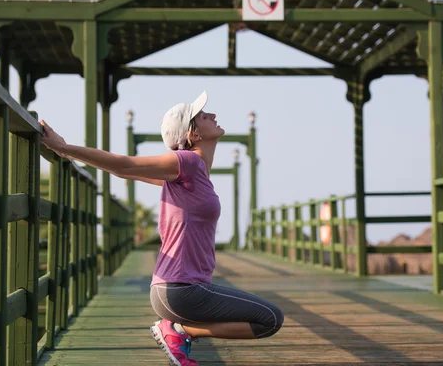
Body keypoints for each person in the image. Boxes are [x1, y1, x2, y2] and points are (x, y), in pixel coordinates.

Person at [40, 91, 284, 366]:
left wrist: (70, 151)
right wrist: (64, 148)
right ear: (193, 134)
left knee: (268, 319)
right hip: (180, 290)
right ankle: (178, 331)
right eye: (204, 116)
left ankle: (178, 331)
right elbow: (125, 164)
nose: (213, 115)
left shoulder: (194, 173)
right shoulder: (186, 162)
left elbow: (125, 171)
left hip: (175, 290)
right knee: (270, 318)